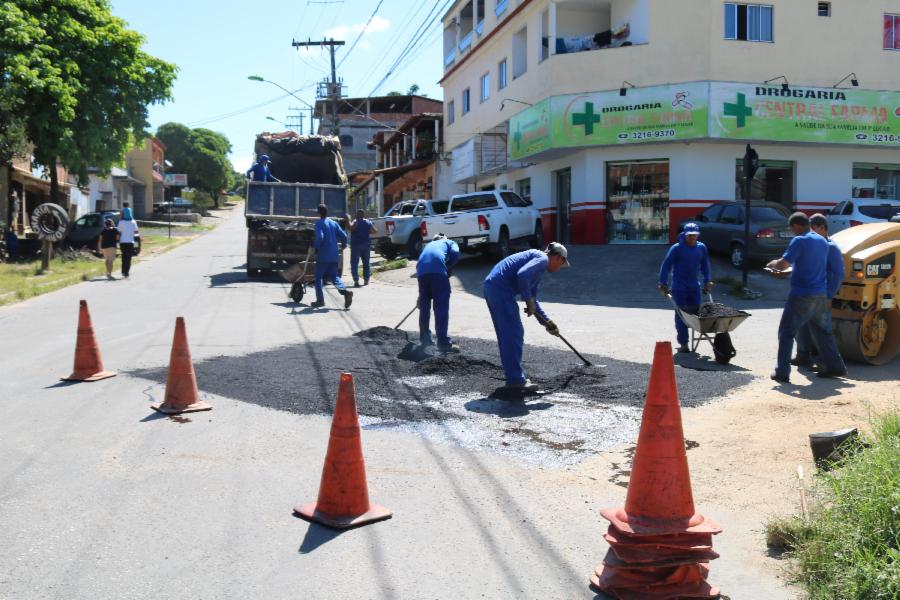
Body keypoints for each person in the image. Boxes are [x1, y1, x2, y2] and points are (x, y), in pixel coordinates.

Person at [767, 212, 847, 382]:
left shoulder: (799, 240)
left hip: (801, 294)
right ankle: (836, 367)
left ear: (795, 226)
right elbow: (811, 266)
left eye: (791, 229)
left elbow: (783, 264)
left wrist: (772, 264)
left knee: (786, 332)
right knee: (824, 332)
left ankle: (782, 372)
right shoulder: (822, 241)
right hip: (820, 294)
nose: (792, 232)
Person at [483, 243, 569, 393]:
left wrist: (547, 322)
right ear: (557, 258)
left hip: (493, 288)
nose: (560, 268)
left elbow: (533, 301)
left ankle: (513, 378)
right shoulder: (542, 259)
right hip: (500, 290)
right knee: (514, 334)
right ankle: (515, 380)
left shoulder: (536, 266)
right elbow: (522, 275)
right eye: (562, 263)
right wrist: (527, 300)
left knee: (508, 335)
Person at [793, 213, 845, 370]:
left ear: (822, 228)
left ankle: (824, 362)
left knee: (821, 330)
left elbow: (838, 274)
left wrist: (829, 296)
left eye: (812, 229)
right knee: (801, 326)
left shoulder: (831, 248)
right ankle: (803, 356)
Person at [658, 222, 713, 352]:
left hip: (694, 287)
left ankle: (695, 340)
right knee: (681, 315)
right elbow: (666, 266)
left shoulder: (701, 248)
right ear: (684, 235)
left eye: (695, 235)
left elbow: (705, 265)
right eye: (690, 235)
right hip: (679, 287)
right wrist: (663, 283)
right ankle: (684, 343)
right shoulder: (677, 248)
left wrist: (707, 280)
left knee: (696, 315)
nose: (693, 238)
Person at [416, 234, 461, 352]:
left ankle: (425, 339)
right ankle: (443, 343)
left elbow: (421, 262)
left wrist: (422, 295)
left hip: (421, 273)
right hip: (438, 273)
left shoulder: (428, 245)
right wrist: (449, 266)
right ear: (444, 238)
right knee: (441, 307)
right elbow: (455, 253)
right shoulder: (449, 242)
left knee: (424, 307)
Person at [311, 204, 353, 309]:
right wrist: (343, 245)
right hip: (334, 255)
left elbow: (320, 237)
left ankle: (320, 300)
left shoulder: (319, 224)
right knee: (334, 277)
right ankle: (345, 292)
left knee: (318, 277)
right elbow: (344, 235)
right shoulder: (333, 223)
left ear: (319, 213)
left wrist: (315, 247)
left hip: (323, 255)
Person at [349, 209, 376, 287]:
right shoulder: (368, 222)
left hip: (356, 245)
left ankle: (356, 280)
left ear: (357, 215)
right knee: (366, 263)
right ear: (364, 215)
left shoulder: (355, 221)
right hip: (366, 245)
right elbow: (374, 231)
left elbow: (351, 228)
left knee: (354, 263)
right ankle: (366, 280)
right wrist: (368, 232)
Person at [116, 207, 139, 278]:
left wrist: (117, 241)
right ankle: (126, 272)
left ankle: (123, 271)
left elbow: (119, 233)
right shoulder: (133, 221)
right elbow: (136, 232)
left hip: (123, 242)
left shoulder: (121, 222)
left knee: (123, 257)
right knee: (129, 258)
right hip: (130, 242)